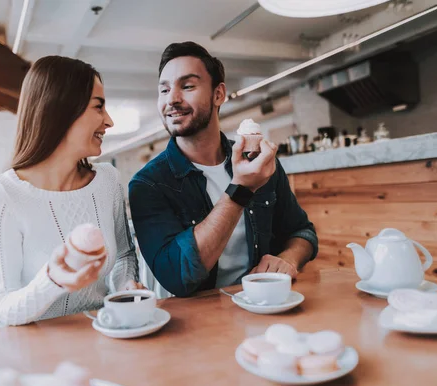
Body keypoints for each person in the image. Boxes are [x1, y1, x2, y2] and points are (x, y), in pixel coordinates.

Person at [129, 42, 318, 297]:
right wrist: (241, 189)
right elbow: (177, 277)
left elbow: (302, 232)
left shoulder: (259, 161)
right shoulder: (148, 184)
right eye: (164, 90)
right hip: (197, 324)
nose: (172, 99)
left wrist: (289, 259)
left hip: (263, 304)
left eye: (187, 86)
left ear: (218, 94)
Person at [0, 56, 141, 327]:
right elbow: (1, 309)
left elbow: (123, 254)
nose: (109, 121)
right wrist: (52, 280)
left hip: (105, 333)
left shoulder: (107, 180)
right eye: (98, 107)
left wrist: (126, 289)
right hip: (39, 350)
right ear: (61, 110)